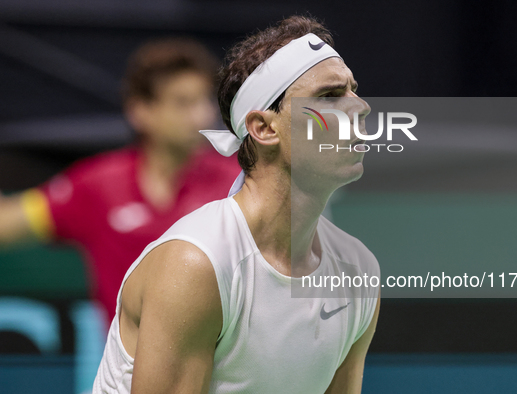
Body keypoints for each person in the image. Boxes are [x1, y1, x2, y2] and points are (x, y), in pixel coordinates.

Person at [94, 15, 380, 393]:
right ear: (264, 128)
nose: (359, 107)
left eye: (352, 90)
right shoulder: (197, 264)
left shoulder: (358, 270)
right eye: (329, 96)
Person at [0, 38, 241, 323]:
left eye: (203, 100)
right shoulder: (96, 185)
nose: (201, 115)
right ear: (140, 110)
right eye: (182, 103)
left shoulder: (236, 181)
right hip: (125, 365)